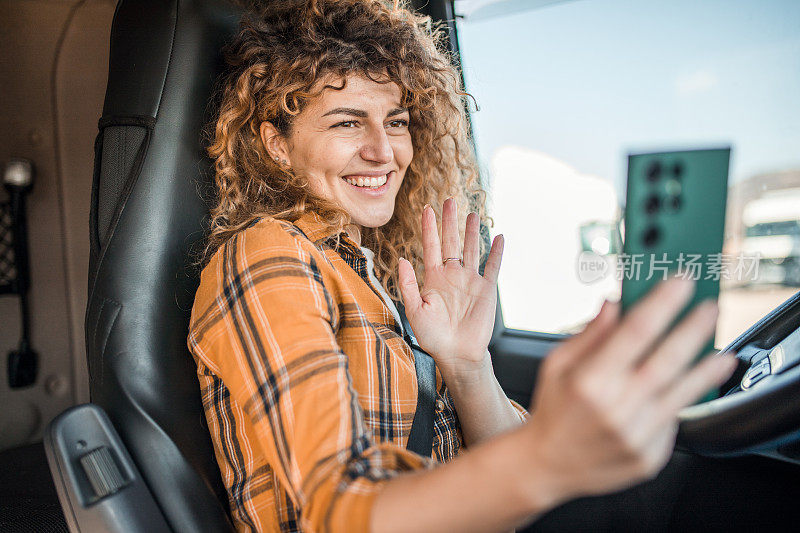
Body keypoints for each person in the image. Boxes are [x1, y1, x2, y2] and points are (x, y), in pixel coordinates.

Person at [187, 1, 737, 531]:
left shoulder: (375, 272)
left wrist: (465, 364)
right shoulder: (267, 255)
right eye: (347, 124)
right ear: (276, 144)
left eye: (396, 121)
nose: (384, 151)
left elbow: (499, 463)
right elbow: (342, 508)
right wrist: (546, 458)